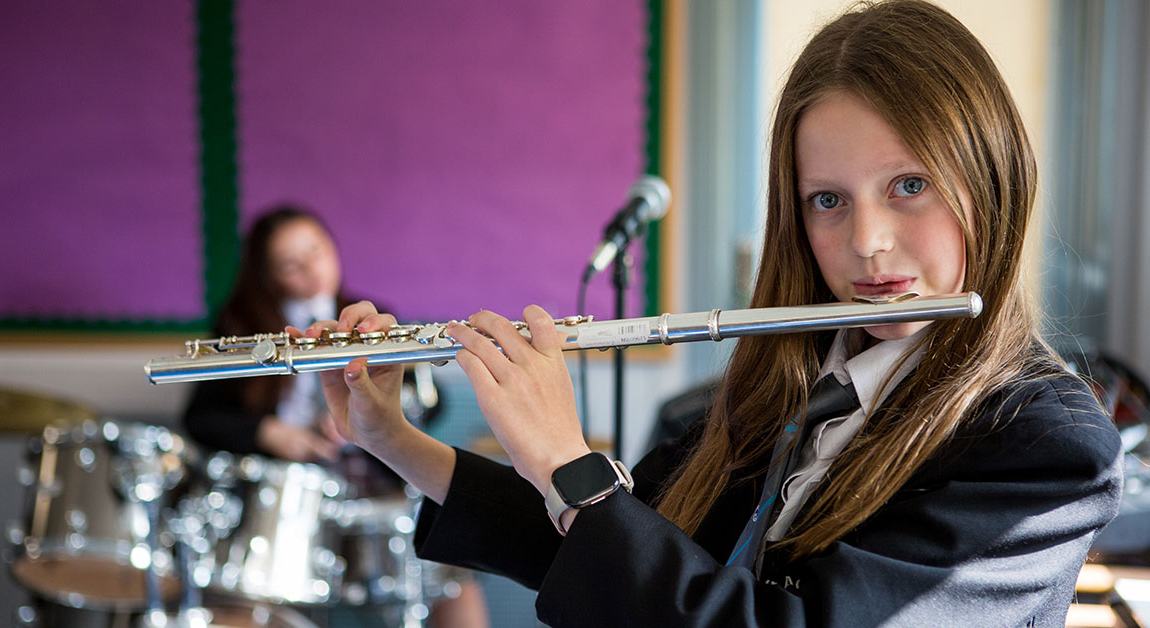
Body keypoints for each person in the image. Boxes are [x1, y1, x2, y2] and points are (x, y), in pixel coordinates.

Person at [305, 2, 1125, 626]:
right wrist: (394, 440)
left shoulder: (1043, 444)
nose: (869, 243)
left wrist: (567, 459)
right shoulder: (789, 388)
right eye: (827, 200)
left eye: (909, 186)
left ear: (990, 179)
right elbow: (611, 542)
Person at [183, 205, 489, 628]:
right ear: (268, 277)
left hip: (373, 485)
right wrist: (271, 433)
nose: (312, 269)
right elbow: (201, 418)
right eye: (292, 264)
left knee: (453, 578)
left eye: (316, 250)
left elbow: (430, 403)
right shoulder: (241, 327)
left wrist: (374, 410)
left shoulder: (368, 317)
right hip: (289, 493)